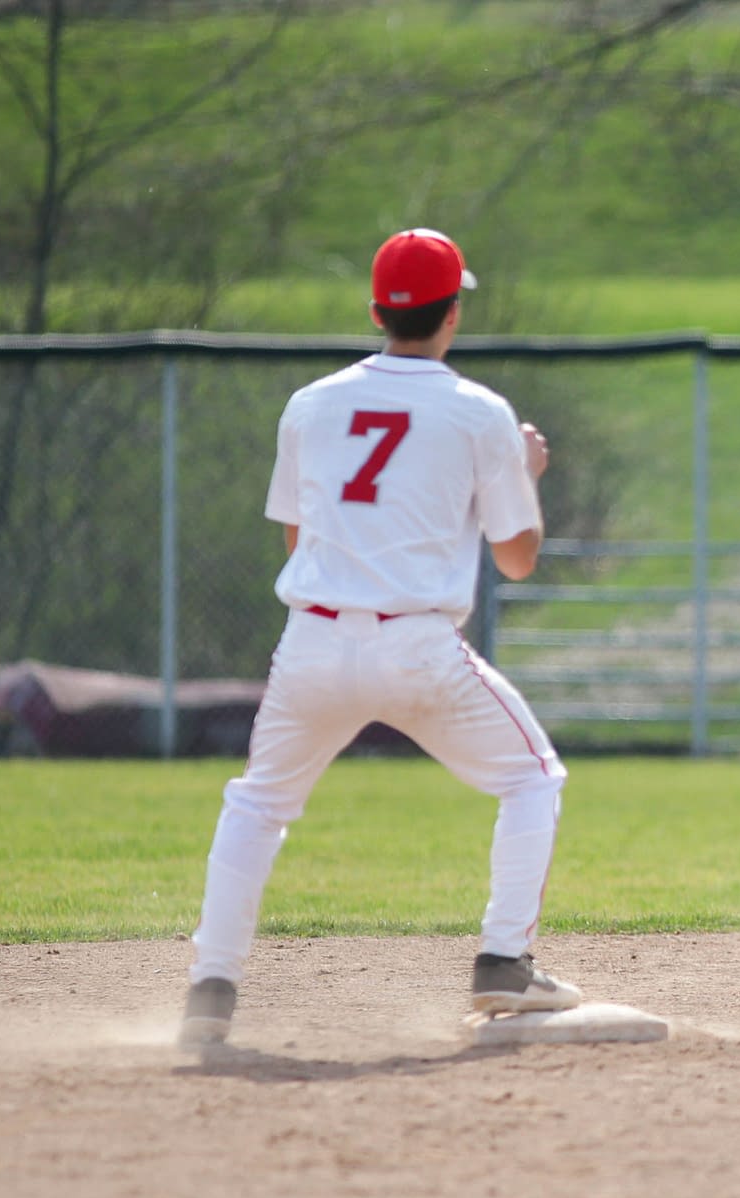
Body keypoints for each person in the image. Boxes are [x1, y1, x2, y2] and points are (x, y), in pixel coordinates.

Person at [178, 228, 579, 1046]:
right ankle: (505, 963)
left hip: (312, 645)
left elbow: (296, 540)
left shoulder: (311, 404)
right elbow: (519, 558)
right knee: (534, 778)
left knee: (257, 805)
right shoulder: (479, 412)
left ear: (375, 311)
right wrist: (523, 478)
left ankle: (209, 993)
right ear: (453, 314)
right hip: (418, 648)